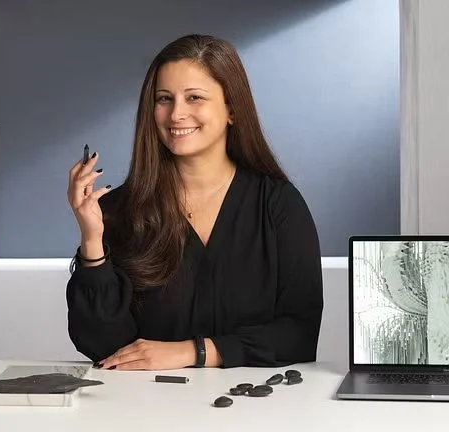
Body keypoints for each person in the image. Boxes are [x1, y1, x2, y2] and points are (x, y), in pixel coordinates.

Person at [65, 34, 324, 371]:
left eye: (194, 97)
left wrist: (196, 352)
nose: (176, 114)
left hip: (257, 410)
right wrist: (92, 240)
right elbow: (105, 349)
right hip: (148, 410)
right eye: (164, 99)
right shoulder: (118, 209)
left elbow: (299, 335)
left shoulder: (278, 205)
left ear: (231, 109)